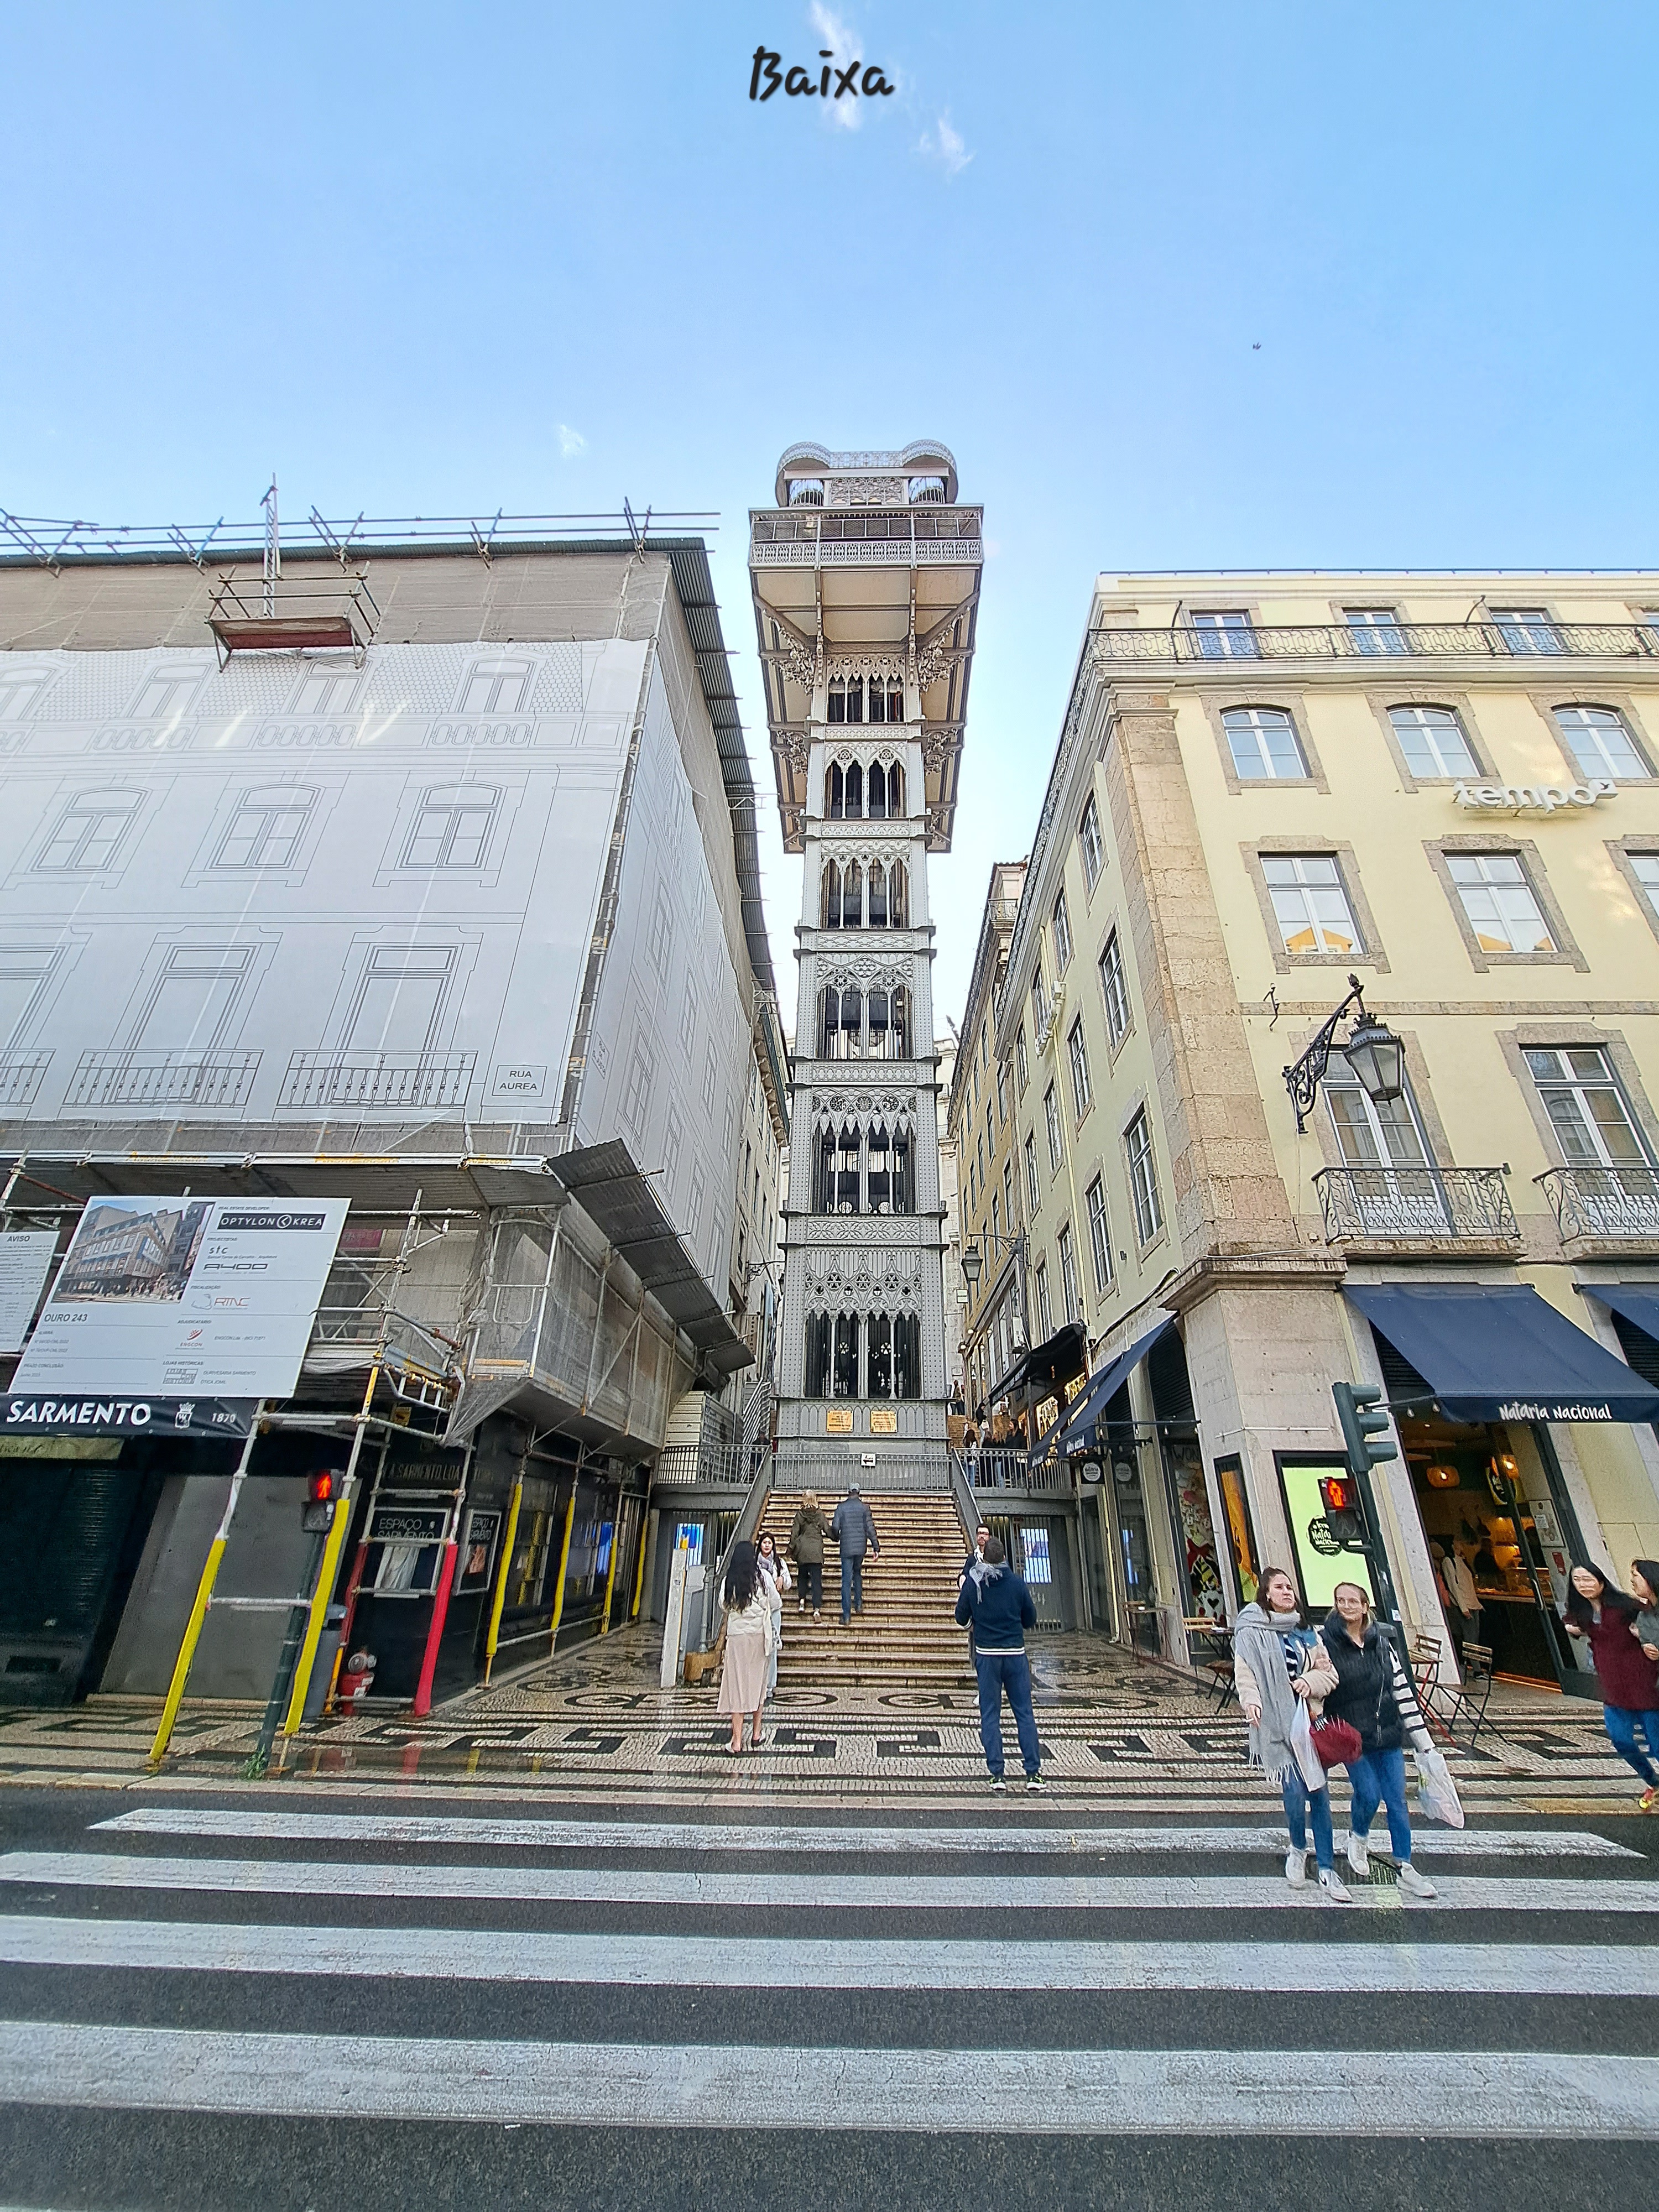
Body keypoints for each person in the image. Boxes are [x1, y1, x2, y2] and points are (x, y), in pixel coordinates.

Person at [1232, 1564, 1349, 1902]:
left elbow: (1330, 1676)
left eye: (1290, 1588)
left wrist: (1307, 1683)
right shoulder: (1251, 1631)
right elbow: (1246, 1674)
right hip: (1276, 1725)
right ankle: (1298, 1847)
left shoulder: (1308, 1634)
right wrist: (1252, 1703)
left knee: (1320, 1795)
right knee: (1295, 1794)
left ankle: (1326, 1867)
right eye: (1280, 1588)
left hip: (1309, 1723)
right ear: (1266, 1594)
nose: (1287, 1592)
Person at [1319, 1581, 1437, 1898]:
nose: (1346, 1606)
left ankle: (1406, 1867)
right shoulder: (1325, 1642)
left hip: (1387, 1732)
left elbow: (1401, 1690)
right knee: (1369, 1794)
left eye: (1352, 1601)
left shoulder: (1382, 1642)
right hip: (1352, 1736)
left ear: (1365, 1606)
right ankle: (1358, 1835)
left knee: (1397, 1801)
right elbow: (1320, 1685)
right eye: (1340, 1600)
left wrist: (1422, 1739)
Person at [1563, 1562, 1659, 1809]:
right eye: (1578, 1580)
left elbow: (1651, 1618)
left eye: (1588, 1579)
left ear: (1602, 1580)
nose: (1584, 1585)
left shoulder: (1624, 1606)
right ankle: (1653, 1782)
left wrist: (1644, 1637)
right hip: (1612, 1687)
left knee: (1657, 1744)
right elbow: (1573, 1625)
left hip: (1643, 1682)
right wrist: (1574, 1630)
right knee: (1621, 1740)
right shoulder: (1580, 1612)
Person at [954, 1535, 1042, 1791]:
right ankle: (1033, 1773)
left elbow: (961, 1617)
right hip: (1015, 1654)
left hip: (987, 1655)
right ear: (1004, 1557)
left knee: (990, 1714)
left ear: (984, 1557)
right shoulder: (1016, 1583)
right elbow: (1030, 1619)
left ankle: (997, 1774)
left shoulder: (975, 1583)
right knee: (1024, 1713)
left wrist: (975, 1623)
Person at [715, 1540, 776, 1754]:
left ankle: (737, 1741)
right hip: (759, 1635)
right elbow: (776, 1603)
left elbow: (723, 1605)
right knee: (758, 1683)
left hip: (737, 1636)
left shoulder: (728, 1581)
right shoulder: (764, 1577)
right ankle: (757, 1733)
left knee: (737, 1686)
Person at [829, 1484, 880, 1624]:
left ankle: (846, 1615)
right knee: (857, 1573)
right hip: (860, 1549)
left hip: (846, 1548)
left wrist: (837, 1537)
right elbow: (870, 1529)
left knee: (846, 1580)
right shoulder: (865, 1508)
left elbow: (835, 1527)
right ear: (859, 1493)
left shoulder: (841, 1508)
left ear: (848, 1492)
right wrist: (876, 1547)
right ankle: (858, 1604)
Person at [755, 1531, 792, 1699]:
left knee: (772, 1646)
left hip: (774, 1608)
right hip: (758, 1609)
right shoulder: (754, 1564)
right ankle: (757, 1682)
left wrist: (783, 1579)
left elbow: (789, 1584)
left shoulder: (779, 1563)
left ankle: (770, 1683)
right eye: (765, 1542)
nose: (767, 1545)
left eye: (770, 1543)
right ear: (760, 1544)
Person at [788, 1491, 828, 1619]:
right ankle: (816, 1609)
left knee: (803, 1577)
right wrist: (837, 1536)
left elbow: (794, 1534)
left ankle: (802, 1602)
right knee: (816, 1581)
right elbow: (828, 1530)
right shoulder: (820, 1514)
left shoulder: (800, 1515)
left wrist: (791, 1548)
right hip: (816, 1551)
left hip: (803, 1550)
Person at [1444, 1542, 1481, 1659]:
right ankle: (1477, 1669)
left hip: (1474, 1603)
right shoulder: (1449, 1562)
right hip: (1464, 1604)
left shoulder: (1462, 1561)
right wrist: (1463, 1608)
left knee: (1475, 1637)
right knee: (1470, 1639)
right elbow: (1454, 1586)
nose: (1462, 1546)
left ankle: (1476, 1667)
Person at [1631, 1560, 1659, 1664]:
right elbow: (1646, 1641)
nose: (1632, 1580)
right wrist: (1648, 1650)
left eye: (1635, 1575)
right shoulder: (1643, 1617)